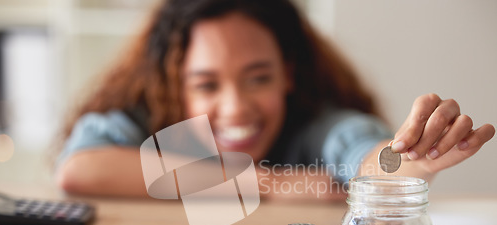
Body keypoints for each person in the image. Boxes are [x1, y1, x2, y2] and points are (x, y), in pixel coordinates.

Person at [55, 0, 494, 199]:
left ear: (289, 73)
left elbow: (365, 155)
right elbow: (81, 168)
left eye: (258, 78)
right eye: (207, 85)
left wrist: (409, 161)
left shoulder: (315, 125)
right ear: (175, 86)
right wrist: (269, 184)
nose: (236, 108)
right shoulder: (152, 118)